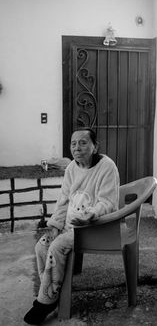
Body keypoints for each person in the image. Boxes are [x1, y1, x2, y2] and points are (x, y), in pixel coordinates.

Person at [24, 128, 120, 325]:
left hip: (98, 226)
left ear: (95, 146)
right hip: (73, 227)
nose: (77, 148)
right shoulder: (71, 169)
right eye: (73, 143)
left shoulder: (107, 167)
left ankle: (46, 302)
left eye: (83, 142)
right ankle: (50, 290)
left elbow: (108, 202)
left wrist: (91, 215)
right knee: (42, 245)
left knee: (57, 247)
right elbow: (64, 201)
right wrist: (55, 225)